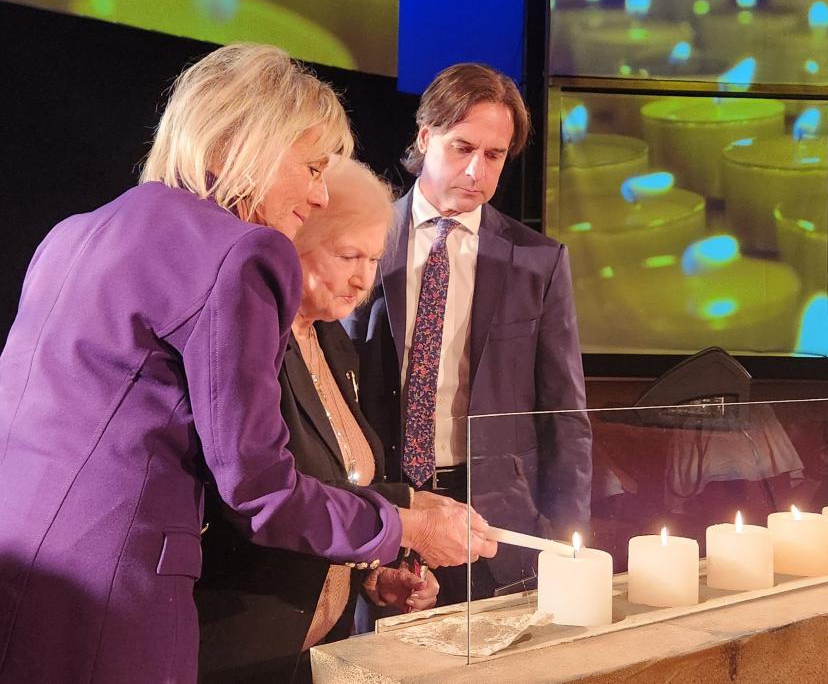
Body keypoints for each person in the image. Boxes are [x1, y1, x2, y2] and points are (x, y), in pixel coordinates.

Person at [0, 44, 494, 684]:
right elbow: (260, 491)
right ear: (250, 143)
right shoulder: (243, 252)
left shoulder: (72, 231)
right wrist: (404, 527)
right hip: (121, 599)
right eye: (313, 167)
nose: (320, 196)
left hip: (26, 575)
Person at [344, 62, 592, 602]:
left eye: (494, 155)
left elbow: (565, 417)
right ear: (425, 136)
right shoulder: (363, 237)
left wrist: (567, 546)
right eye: (463, 148)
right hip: (389, 515)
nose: (477, 171)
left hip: (498, 525)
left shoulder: (538, 261)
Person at [197, 158, 442, 683]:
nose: (363, 279)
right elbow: (268, 499)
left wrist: (375, 577)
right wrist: (409, 520)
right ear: (291, 245)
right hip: (239, 647)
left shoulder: (334, 341)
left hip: (317, 652)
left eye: (374, 259)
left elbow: (339, 487)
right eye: (348, 255)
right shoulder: (250, 342)